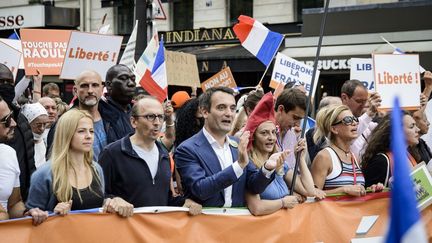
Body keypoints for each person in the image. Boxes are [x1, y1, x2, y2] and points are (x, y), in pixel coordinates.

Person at [26, 109, 133, 224]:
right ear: (66, 134)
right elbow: (29, 219)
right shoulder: (44, 174)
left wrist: (112, 202)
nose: (88, 136)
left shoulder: (96, 169)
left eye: (91, 131)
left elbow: (96, 205)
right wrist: (52, 213)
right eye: (81, 131)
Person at [175, 87, 275, 207]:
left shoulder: (237, 143)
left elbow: (254, 187)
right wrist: (238, 166)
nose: (228, 113)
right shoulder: (187, 149)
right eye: (221, 107)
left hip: (236, 223)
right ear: (205, 112)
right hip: (203, 224)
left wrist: (267, 169)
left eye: (232, 108)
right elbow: (200, 190)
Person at [99, 97, 201, 214]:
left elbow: (164, 198)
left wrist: (185, 202)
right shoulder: (112, 153)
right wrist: (113, 200)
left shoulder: (164, 155)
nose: (157, 122)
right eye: (150, 117)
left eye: (160, 117)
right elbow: (99, 196)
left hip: (155, 230)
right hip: (125, 230)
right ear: (133, 121)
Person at [243, 93, 315, 216]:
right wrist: (283, 202)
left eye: (273, 132)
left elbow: (309, 191)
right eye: (264, 133)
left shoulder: (281, 162)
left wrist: (301, 158)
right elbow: (257, 208)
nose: (271, 137)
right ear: (253, 137)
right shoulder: (248, 164)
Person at [0, 96, 46, 224]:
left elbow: (14, 204)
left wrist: (26, 213)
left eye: (11, 116)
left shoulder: (8, 154)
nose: (14, 123)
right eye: (6, 120)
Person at [311, 105, 372, 197]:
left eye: (354, 119)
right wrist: (343, 190)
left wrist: (372, 189)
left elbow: (357, 191)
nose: (354, 123)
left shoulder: (354, 156)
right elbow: (312, 195)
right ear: (334, 129)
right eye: (348, 120)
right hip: (331, 211)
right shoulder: (324, 157)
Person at [0, 64, 35, 201]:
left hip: (21, 198)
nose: (5, 85)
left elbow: (29, 160)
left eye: (9, 82)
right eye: (1, 82)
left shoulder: (21, 118)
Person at [362, 112, 420, 187]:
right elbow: (371, 195)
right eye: (412, 126)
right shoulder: (381, 161)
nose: (418, 129)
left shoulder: (411, 155)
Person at [340, 79, 381, 161]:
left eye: (365, 101)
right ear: (344, 98)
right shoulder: (335, 119)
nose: (363, 105)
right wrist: (369, 113)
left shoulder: (367, 123)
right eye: (359, 101)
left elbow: (383, 131)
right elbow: (348, 136)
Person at [102, 64, 136, 142]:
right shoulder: (98, 111)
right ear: (109, 85)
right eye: (123, 78)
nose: (131, 83)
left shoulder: (139, 111)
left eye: (133, 79)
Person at [306, 96, 342, 163]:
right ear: (323, 112)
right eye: (336, 110)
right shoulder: (311, 134)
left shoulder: (343, 132)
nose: (341, 114)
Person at [21, 103, 49, 169]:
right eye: (38, 125)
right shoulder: (21, 143)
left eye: (44, 124)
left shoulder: (45, 141)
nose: (42, 128)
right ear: (28, 123)